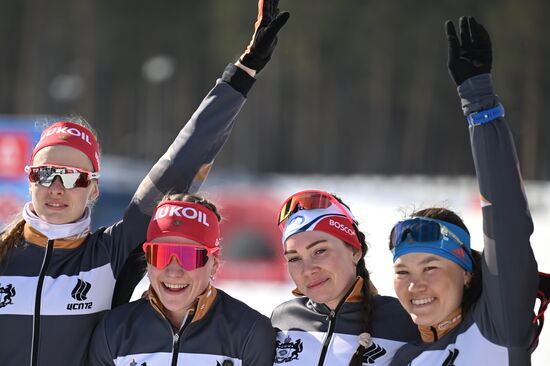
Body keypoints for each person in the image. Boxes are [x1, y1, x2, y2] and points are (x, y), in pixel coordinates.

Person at [0, 0, 289, 364]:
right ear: (29, 179)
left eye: (74, 177)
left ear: (94, 189)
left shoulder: (110, 254)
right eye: (45, 173)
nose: (57, 186)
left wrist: (242, 74)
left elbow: (180, 164)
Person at [388, 17, 539, 365]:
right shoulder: (401, 358)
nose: (416, 286)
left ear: (468, 274)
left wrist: (479, 102)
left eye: (431, 267)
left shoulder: (497, 327)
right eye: (403, 272)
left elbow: (506, 219)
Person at [87, 194, 276, 365]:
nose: (173, 271)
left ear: (215, 263)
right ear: (147, 258)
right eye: (161, 254)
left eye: (189, 257)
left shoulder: (250, 332)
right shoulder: (113, 331)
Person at [270, 190, 420, 366]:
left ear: (355, 251)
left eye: (320, 251)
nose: (308, 270)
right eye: (294, 258)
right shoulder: (283, 320)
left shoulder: (406, 320)